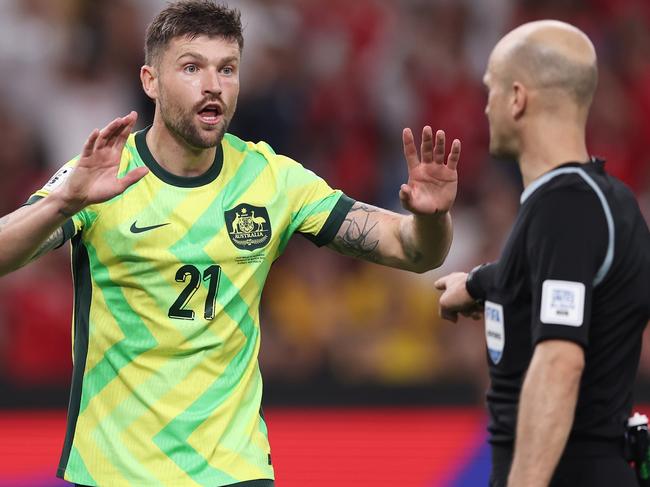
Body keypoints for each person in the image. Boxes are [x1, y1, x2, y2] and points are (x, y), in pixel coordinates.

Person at [0, 2, 460, 486]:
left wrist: (432, 218)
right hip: (116, 471)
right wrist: (62, 204)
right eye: (192, 67)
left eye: (228, 69)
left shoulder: (272, 180)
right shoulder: (100, 175)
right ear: (150, 81)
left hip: (234, 470)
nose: (213, 84)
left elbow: (415, 252)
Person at [435, 20, 650, 487]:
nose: (485, 106)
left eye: (490, 89)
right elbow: (546, 275)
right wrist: (474, 284)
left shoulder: (563, 209)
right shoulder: (609, 202)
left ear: (517, 98)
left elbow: (559, 361)